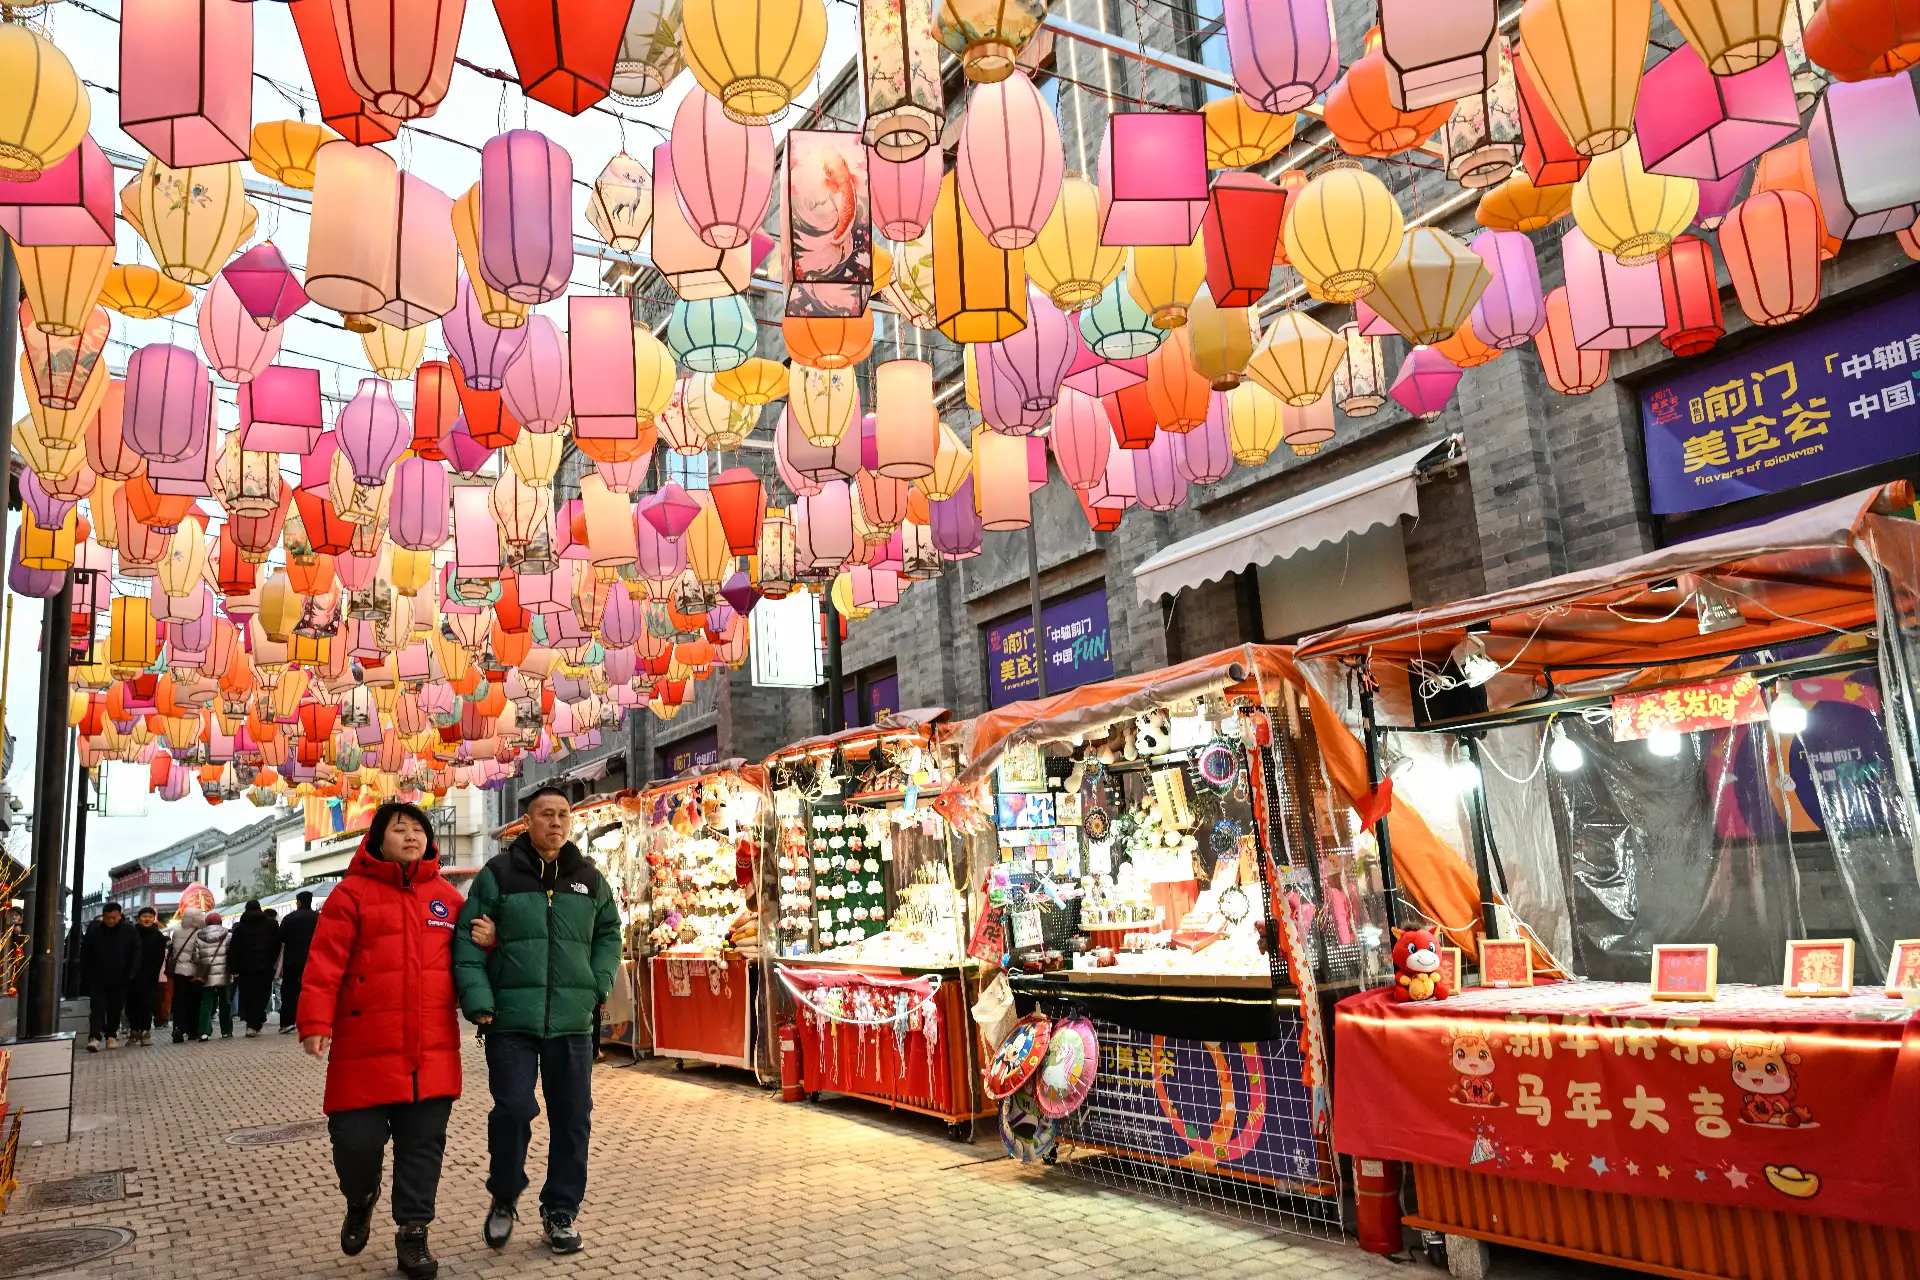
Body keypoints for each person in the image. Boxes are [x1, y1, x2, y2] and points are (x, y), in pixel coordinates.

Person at [454, 787, 620, 1256]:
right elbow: (467, 940)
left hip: (572, 1021)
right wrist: (479, 999)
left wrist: (597, 984)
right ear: (527, 822)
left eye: (563, 815)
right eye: (546, 814)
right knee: (512, 1111)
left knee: (573, 1118)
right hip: (510, 1020)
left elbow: (609, 933)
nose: (556, 822)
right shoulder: (498, 874)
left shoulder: (589, 878)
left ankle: (560, 1211)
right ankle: (505, 1196)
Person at [300, 802, 463, 1280]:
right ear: (377, 839)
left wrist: (490, 938)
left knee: (423, 1148)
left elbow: (471, 961)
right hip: (362, 1048)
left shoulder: (447, 898)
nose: (411, 836)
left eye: (418, 829)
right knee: (355, 1144)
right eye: (399, 829)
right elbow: (324, 963)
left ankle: (413, 1233)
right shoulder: (350, 895)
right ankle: (360, 1197)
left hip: (430, 1051)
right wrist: (315, 1022)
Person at [81, 903, 139, 1052]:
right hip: (97, 976)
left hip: (121, 977)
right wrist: (85, 974)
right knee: (97, 1007)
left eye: (114, 918)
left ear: (120, 916)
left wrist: (132, 972)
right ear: (103, 916)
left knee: (115, 1008)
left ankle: (111, 1035)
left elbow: (136, 953)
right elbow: (86, 954)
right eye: (108, 918)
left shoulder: (129, 931)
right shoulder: (94, 931)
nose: (111, 921)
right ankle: (94, 1037)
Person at [228, 900, 282, 1037]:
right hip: (265, 967)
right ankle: (256, 1021)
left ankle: (251, 1024)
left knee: (248, 995)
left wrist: (234, 968)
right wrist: (272, 961)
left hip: (245, 968)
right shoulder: (272, 924)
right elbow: (277, 945)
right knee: (262, 994)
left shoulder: (240, 927)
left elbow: (234, 949)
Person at [183, 911, 234, 1040]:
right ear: (220, 922)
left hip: (206, 976)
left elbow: (195, 958)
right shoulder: (228, 935)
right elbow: (232, 955)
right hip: (224, 974)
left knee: (206, 1003)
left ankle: (203, 1032)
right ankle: (226, 1030)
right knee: (225, 1002)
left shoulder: (199, 937)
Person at [278, 890, 320, 1035]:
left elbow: (281, 937)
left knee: (289, 991)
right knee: (311, 990)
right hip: (313, 961)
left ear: (299, 902)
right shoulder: (318, 918)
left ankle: (287, 1022)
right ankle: (312, 1020)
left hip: (292, 961)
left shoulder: (289, 918)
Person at [127, 906, 169, 1046]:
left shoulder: (158, 936)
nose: (147, 919)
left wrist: (153, 974)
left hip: (150, 976)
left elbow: (159, 959)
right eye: (144, 916)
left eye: (150, 917)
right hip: (132, 976)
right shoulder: (132, 934)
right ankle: (134, 1031)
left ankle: (145, 1031)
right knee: (132, 1004)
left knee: (147, 1004)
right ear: (138, 918)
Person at [168, 907, 209, 1045]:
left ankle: (178, 1028)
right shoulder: (201, 933)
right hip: (194, 973)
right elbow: (201, 956)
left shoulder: (177, 932)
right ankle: (193, 1030)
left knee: (179, 1001)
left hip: (179, 972)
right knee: (194, 1002)